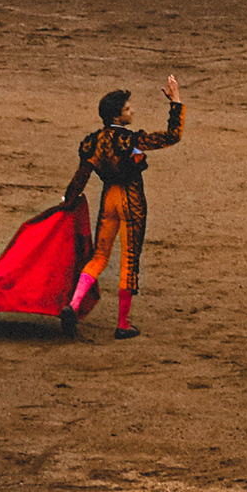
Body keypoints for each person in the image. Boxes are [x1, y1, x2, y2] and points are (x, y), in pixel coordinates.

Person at [62, 77, 185, 340]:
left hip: (109, 198)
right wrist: (175, 101)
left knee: (99, 257)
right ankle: (123, 323)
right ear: (118, 115)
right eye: (128, 109)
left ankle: (73, 305)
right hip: (130, 197)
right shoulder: (132, 141)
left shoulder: (93, 142)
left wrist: (67, 203)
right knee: (129, 259)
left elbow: (79, 179)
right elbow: (172, 136)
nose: (133, 111)